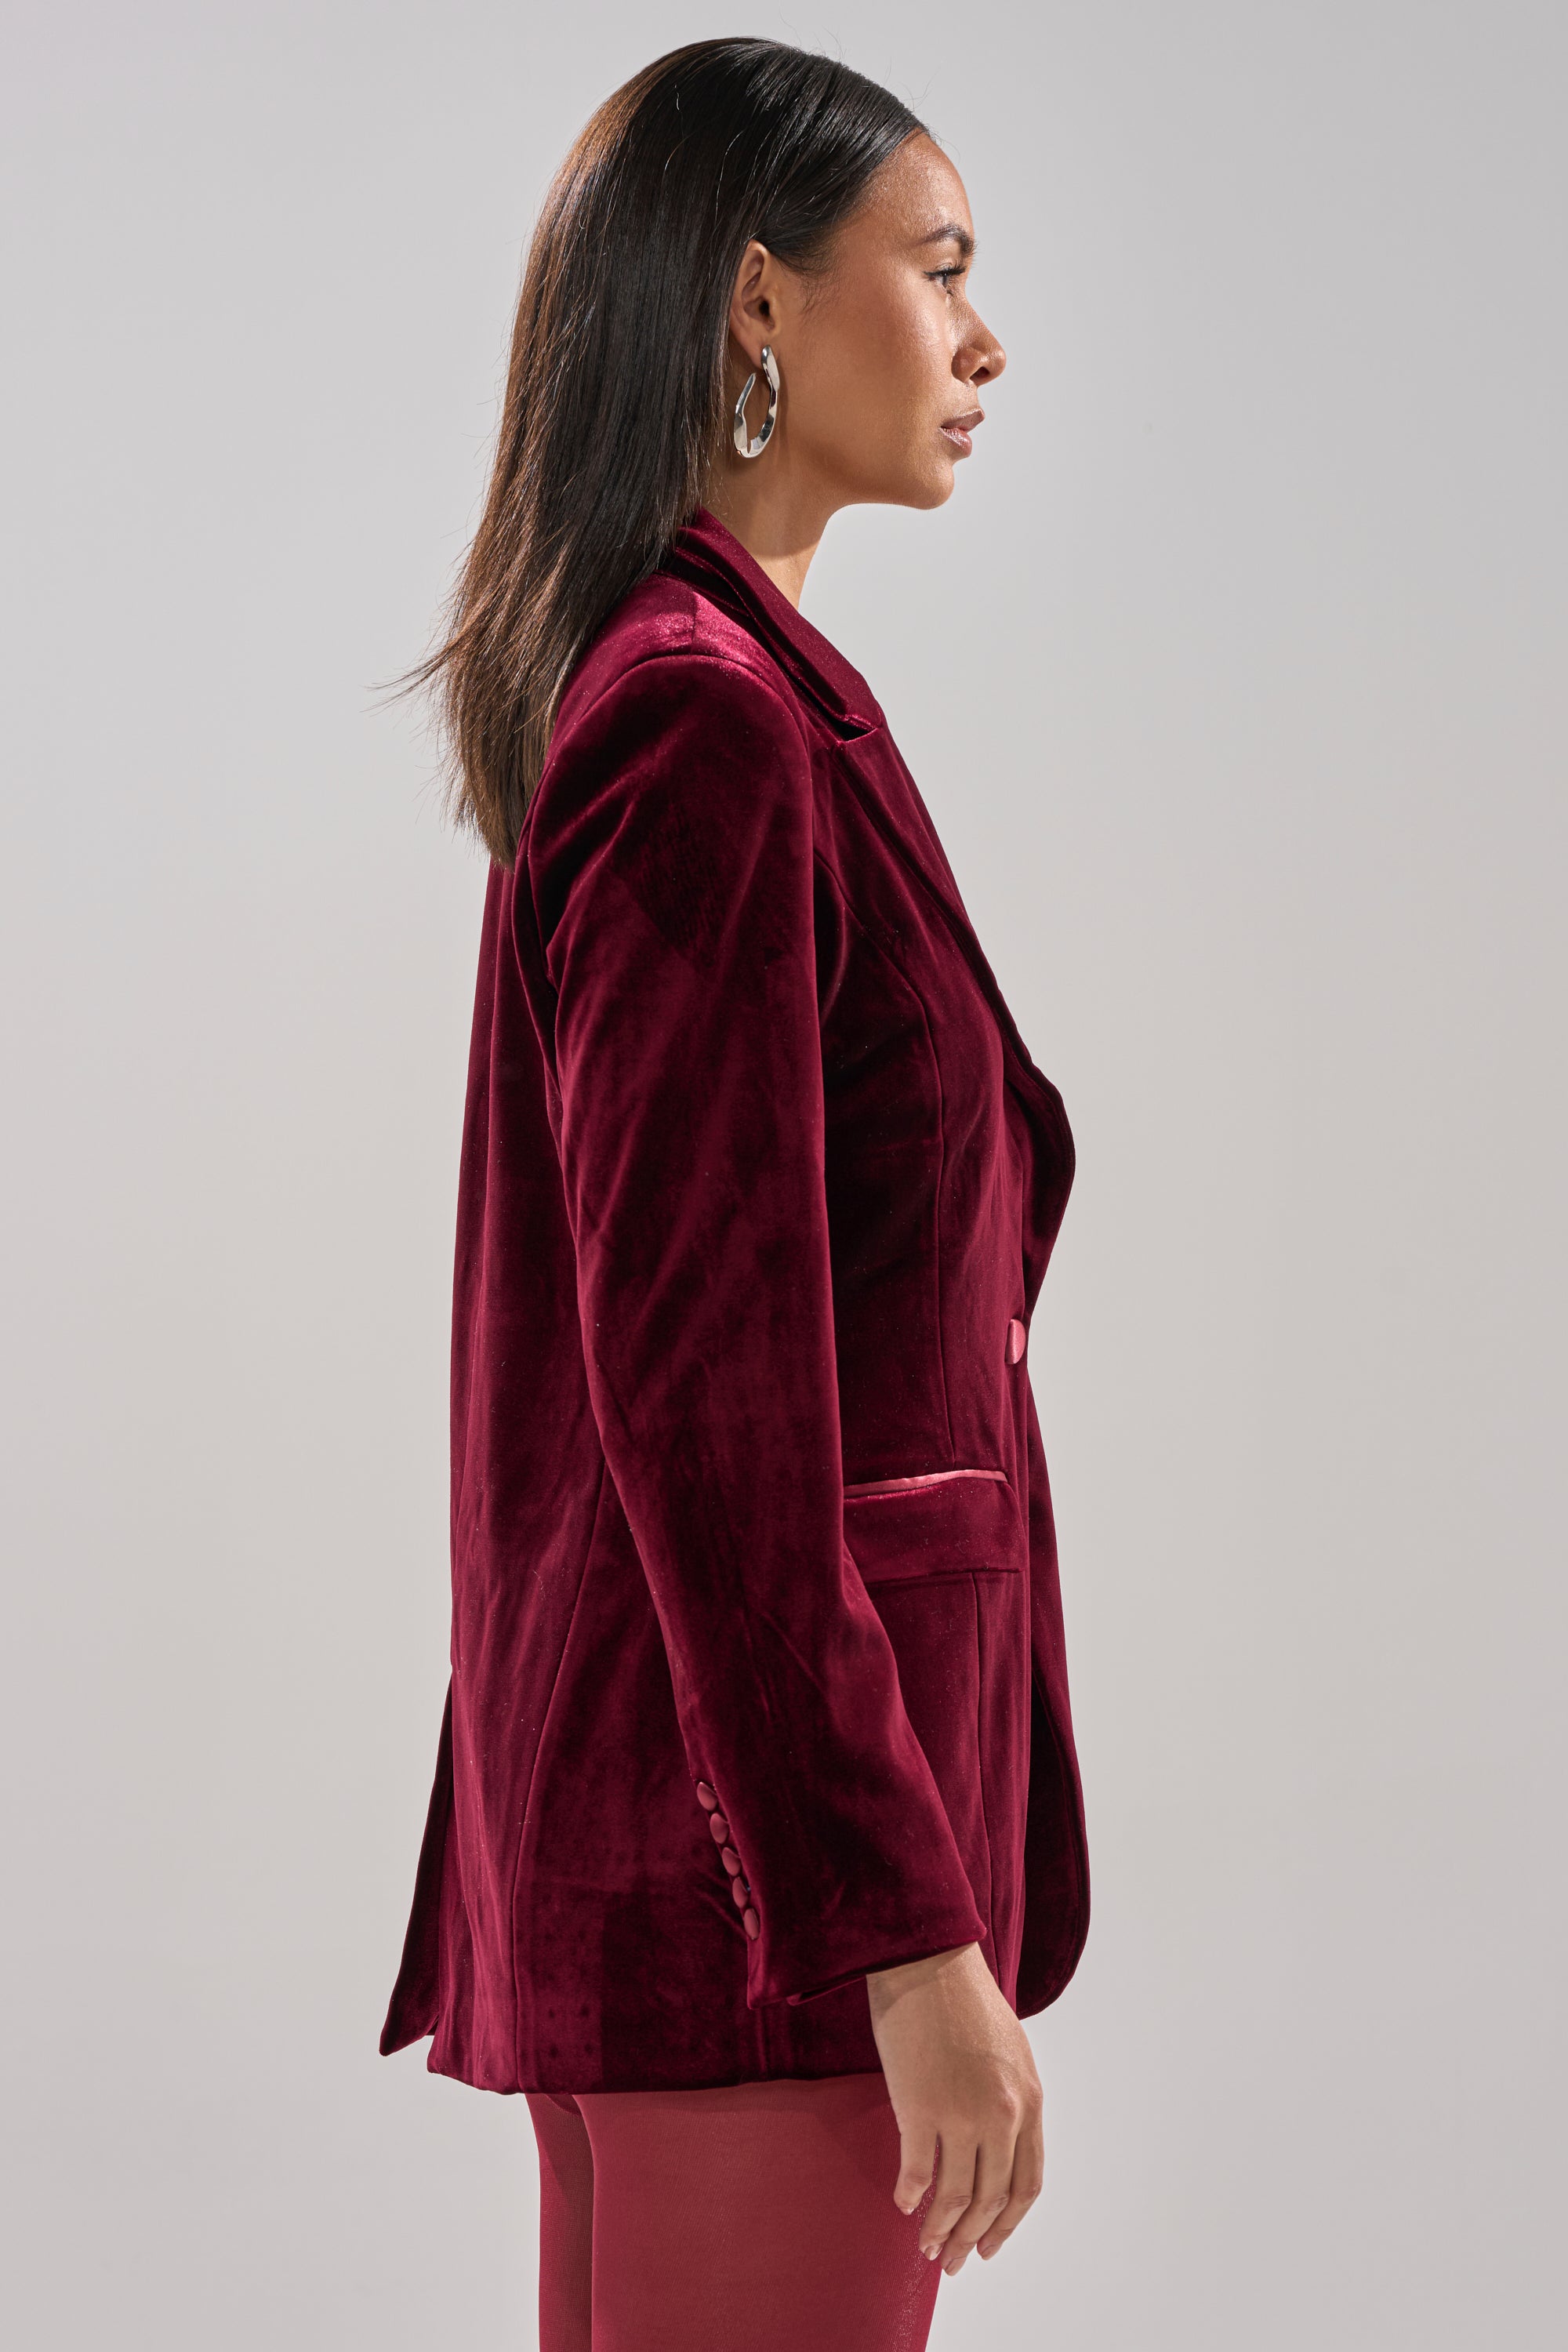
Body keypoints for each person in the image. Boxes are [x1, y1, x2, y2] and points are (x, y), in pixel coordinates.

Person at [379, 37, 1088, 2351]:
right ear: (761, 308)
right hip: (763, 1903)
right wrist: (902, 1932)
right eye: (943, 267)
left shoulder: (708, 690)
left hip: (700, 1872)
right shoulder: (702, 718)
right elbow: (709, 1403)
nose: (985, 340)